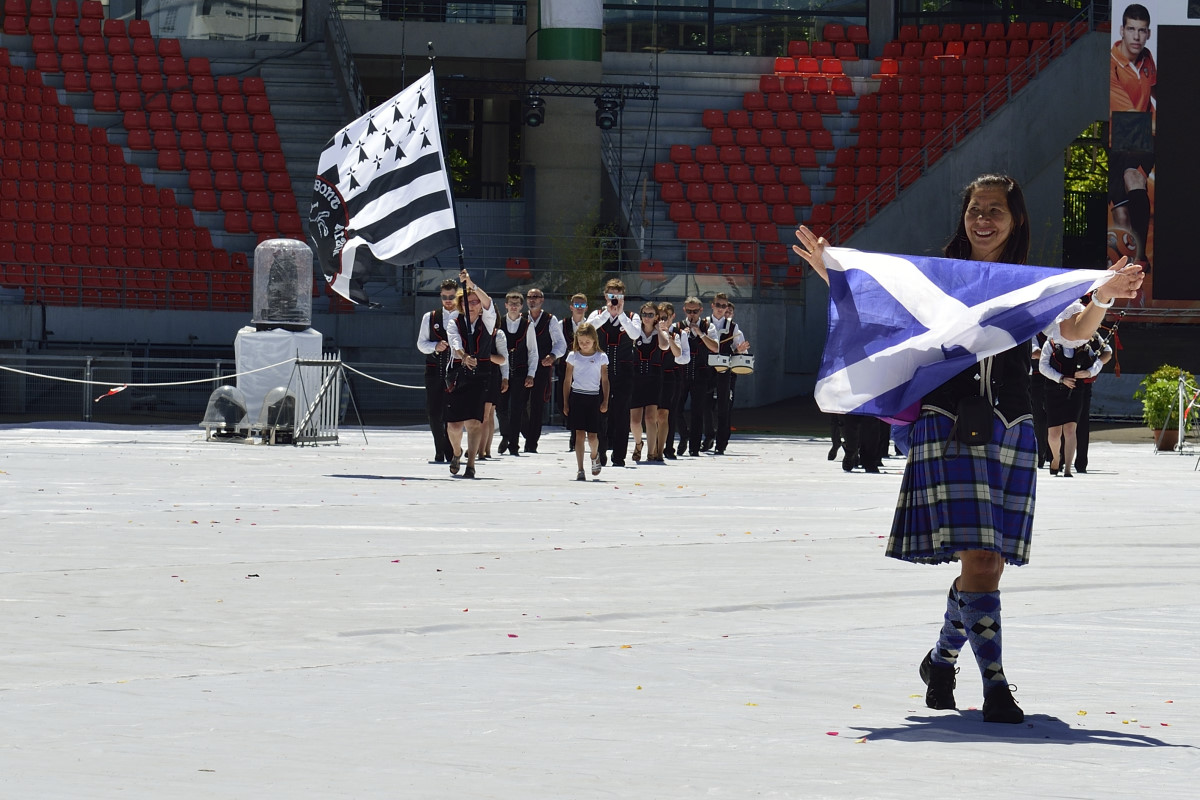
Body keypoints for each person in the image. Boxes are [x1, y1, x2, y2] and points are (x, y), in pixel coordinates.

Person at [793, 173, 1143, 723]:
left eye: (995, 210)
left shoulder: (1028, 284)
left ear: (1016, 219)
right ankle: (997, 687)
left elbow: (1074, 331)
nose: (983, 219)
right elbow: (882, 309)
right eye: (975, 209)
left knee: (989, 566)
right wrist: (835, 271)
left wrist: (1101, 296)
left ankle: (940, 659)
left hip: (1013, 426)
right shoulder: (939, 280)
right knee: (979, 559)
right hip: (948, 424)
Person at [1039, 305, 1110, 478]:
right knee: (1054, 433)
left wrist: (1089, 372)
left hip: (1077, 390)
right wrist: (1061, 378)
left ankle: (1069, 467)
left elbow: (1101, 359)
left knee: (1071, 429)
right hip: (1054, 390)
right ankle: (1056, 458)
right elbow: (1043, 366)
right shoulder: (1052, 342)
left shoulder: (1086, 343)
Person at [444, 269, 497, 479]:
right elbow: (454, 342)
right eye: (468, 302)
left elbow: (489, 302)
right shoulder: (453, 321)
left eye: (475, 302)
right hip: (458, 373)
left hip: (481, 374)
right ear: (461, 305)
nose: (472, 305)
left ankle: (472, 463)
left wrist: (471, 284)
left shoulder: (488, 321)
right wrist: (464, 356)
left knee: (475, 422)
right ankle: (457, 453)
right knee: (454, 424)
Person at [587, 279, 641, 467]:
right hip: (600, 372)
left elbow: (635, 335)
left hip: (624, 371)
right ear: (605, 296)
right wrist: (608, 313)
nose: (614, 299)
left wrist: (621, 315)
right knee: (600, 412)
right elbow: (588, 329)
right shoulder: (597, 313)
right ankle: (601, 451)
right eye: (611, 296)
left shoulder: (632, 316)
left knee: (621, 413)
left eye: (618, 296)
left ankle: (619, 456)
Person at [702, 292, 751, 455]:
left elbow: (740, 350)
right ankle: (709, 435)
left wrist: (739, 350)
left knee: (724, 407)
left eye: (724, 306)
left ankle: (721, 443)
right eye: (718, 305)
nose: (721, 309)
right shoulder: (704, 323)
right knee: (705, 405)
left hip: (725, 370)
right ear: (712, 306)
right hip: (705, 369)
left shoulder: (733, 327)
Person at [416, 279, 458, 463]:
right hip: (434, 369)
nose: (448, 300)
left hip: (456, 370)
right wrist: (435, 346)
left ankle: (450, 449)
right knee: (434, 413)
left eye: (451, 296)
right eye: (444, 297)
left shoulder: (463, 317)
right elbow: (420, 344)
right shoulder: (430, 317)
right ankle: (439, 449)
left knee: (451, 412)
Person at [522, 288, 567, 453]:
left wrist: (553, 356)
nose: (532, 300)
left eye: (536, 297)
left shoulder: (550, 319)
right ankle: (525, 434)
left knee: (537, 405)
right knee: (518, 404)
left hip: (542, 366)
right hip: (522, 367)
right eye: (530, 297)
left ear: (542, 300)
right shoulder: (521, 318)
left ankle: (531, 443)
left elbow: (561, 344)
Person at [562, 322, 609, 481]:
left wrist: (605, 401)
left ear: (594, 340)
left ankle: (594, 455)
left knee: (593, 437)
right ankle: (580, 468)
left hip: (593, 397)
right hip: (577, 397)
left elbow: (605, 380)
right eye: (581, 342)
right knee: (579, 435)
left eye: (587, 342)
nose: (584, 345)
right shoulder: (573, 356)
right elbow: (567, 380)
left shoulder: (601, 357)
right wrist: (566, 402)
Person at [497, 291, 538, 457]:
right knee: (500, 408)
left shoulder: (528, 325)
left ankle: (514, 445)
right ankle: (505, 435)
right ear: (506, 305)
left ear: (522, 306)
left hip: (520, 372)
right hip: (501, 372)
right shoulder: (498, 323)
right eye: (511, 303)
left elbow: (533, 351)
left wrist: (531, 374)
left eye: (517, 303)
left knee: (517, 409)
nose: (514, 306)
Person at [629, 301, 671, 462]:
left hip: (654, 377)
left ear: (656, 317)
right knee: (634, 419)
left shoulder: (659, 332)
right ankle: (639, 443)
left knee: (650, 417)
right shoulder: (634, 332)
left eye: (650, 315)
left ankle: (651, 452)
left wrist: (659, 330)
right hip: (636, 376)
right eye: (644, 314)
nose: (647, 318)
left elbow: (664, 346)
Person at [673, 296, 712, 457]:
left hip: (701, 373)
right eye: (689, 311)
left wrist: (700, 334)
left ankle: (694, 447)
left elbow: (715, 347)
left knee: (698, 411)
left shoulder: (708, 326)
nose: (692, 314)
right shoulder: (678, 326)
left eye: (695, 311)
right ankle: (684, 434)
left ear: (701, 311)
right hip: (682, 373)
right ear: (684, 310)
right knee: (676, 408)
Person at [1074, 331, 1113, 474]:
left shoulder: (1093, 335)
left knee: (1082, 422)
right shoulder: (1060, 330)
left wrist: (1091, 370)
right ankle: (1058, 458)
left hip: (1083, 383)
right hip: (1061, 382)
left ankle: (1081, 462)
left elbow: (1107, 353)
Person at [655, 301, 688, 460]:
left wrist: (667, 334)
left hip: (672, 376)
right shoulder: (653, 331)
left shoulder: (679, 333)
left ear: (672, 316)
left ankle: (668, 447)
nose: (663, 321)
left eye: (666, 317)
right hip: (654, 375)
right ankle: (654, 447)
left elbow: (683, 358)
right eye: (660, 317)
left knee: (669, 413)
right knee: (653, 413)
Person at [558, 293, 590, 452]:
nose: (579, 308)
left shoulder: (591, 325)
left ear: (587, 307)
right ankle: (573, 429)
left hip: (587, 368)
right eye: (576, 305)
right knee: (565, 400)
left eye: (582, 305)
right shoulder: (560, 324)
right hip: (567, 366)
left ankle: (576, 435)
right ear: (571, 307)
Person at [476, 326, 509, 461]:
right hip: (476, 374)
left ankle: (482, 449)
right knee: (485, 414)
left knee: (486, 413)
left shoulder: (498, 334)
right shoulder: (472, 330)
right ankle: (484, 448)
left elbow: (504, 360)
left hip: (491, 376)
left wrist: (505, 378)